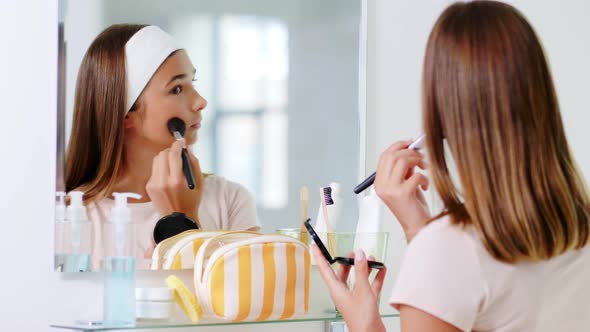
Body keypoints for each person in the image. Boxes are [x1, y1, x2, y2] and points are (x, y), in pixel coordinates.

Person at [312, 1, 590, 331]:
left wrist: (364, 324)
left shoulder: (448, 250)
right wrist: (421, 233)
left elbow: (457, 268)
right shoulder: (578, 225)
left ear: (444, 111)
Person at [65, 24, 260, 269]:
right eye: (177, 89)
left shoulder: (229, 201)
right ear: (125, 115)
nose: (200, 101)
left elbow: (250, 299)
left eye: (193, 82)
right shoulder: (72, 218)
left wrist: (183, 220)